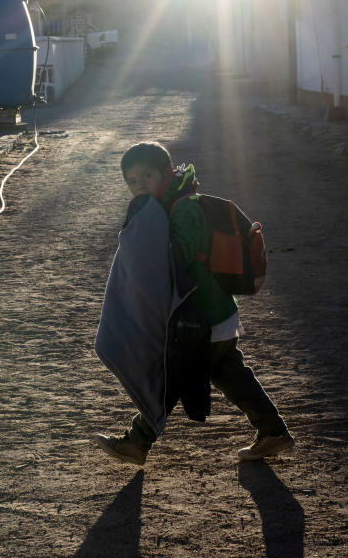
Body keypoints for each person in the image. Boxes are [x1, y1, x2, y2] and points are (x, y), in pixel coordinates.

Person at [93, 141, 294, 465]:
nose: (140, 185)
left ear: (166, 172)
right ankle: (273, 433)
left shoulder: (182, 207)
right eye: (132, 181)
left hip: (201, 318)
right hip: (214, 316)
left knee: (169, 379)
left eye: (147, 176)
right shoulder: (169, 204)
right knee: (229, 375)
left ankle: (138, 442)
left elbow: (179, 258)